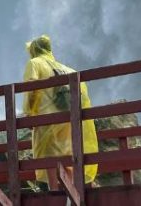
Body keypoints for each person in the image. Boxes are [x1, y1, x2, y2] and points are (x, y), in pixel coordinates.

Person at [22, 35, 99, 189]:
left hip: (48, 118)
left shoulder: (35, 63)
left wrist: (29, 113)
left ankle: (54, 192)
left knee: (50, 155)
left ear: (34, 50)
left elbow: (31, 88)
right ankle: (71, 192)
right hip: (69, 118)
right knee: (66, 154)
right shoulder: (66, 69)